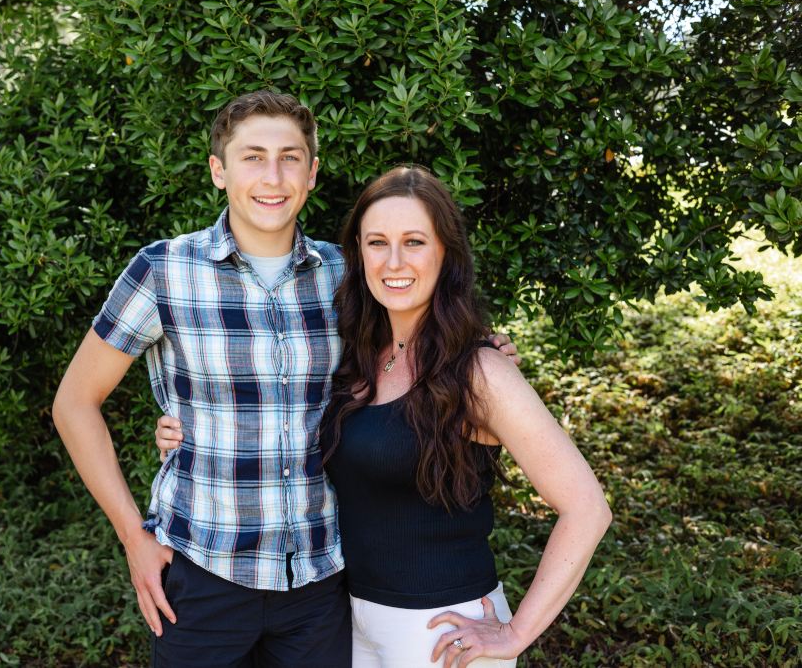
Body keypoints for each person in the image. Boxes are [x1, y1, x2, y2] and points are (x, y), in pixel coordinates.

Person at [53, 90, 519, 667]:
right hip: (201, 573)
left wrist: (485, 356)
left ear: (312, 173)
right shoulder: (164, 271)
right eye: (252, 157)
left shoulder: (350, 277)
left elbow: (419, 348)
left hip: (320, 583)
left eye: (289, 158)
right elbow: (75, 402)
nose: (272, 177)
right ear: (218, 170)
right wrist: (133, 535)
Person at [158, 166, 611, 667]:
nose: (394, 262)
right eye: (377, 243)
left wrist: (516, 632)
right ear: (359, 254)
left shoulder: (480, 371)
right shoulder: (360, 358)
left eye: (414, 241)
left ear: (446, 252)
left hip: (442, 633)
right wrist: (189, 433)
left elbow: (587, 508)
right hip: (355, 624)